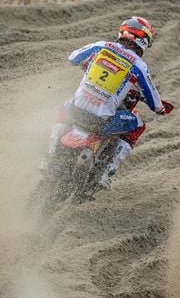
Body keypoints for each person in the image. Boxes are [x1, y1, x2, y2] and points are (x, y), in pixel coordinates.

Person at [45, 16, 169, 189]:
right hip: (101, 120)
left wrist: (89, 64)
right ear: (144, 40)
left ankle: (48, 156)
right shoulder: (139, 65)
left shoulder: (101, 46)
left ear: (122, 33)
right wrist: (161, 109)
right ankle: (105, 175)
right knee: (138, 124)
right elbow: (155, 103)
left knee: (63, 108)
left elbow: (73, 58)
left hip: (76, 111)